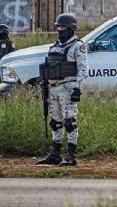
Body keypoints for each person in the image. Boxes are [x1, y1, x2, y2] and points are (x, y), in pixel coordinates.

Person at [37, 13, 88, 166]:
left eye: (63, 27)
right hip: (53, 89)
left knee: (69, 122)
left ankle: (71, 156)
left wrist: (78, 88)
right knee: (55, 122)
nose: (60, 29)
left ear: (71, 29)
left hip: (68, 88)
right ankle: (55, 154)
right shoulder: (54, 46)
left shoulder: (78, 46)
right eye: (58, 26)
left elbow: (83, 70)